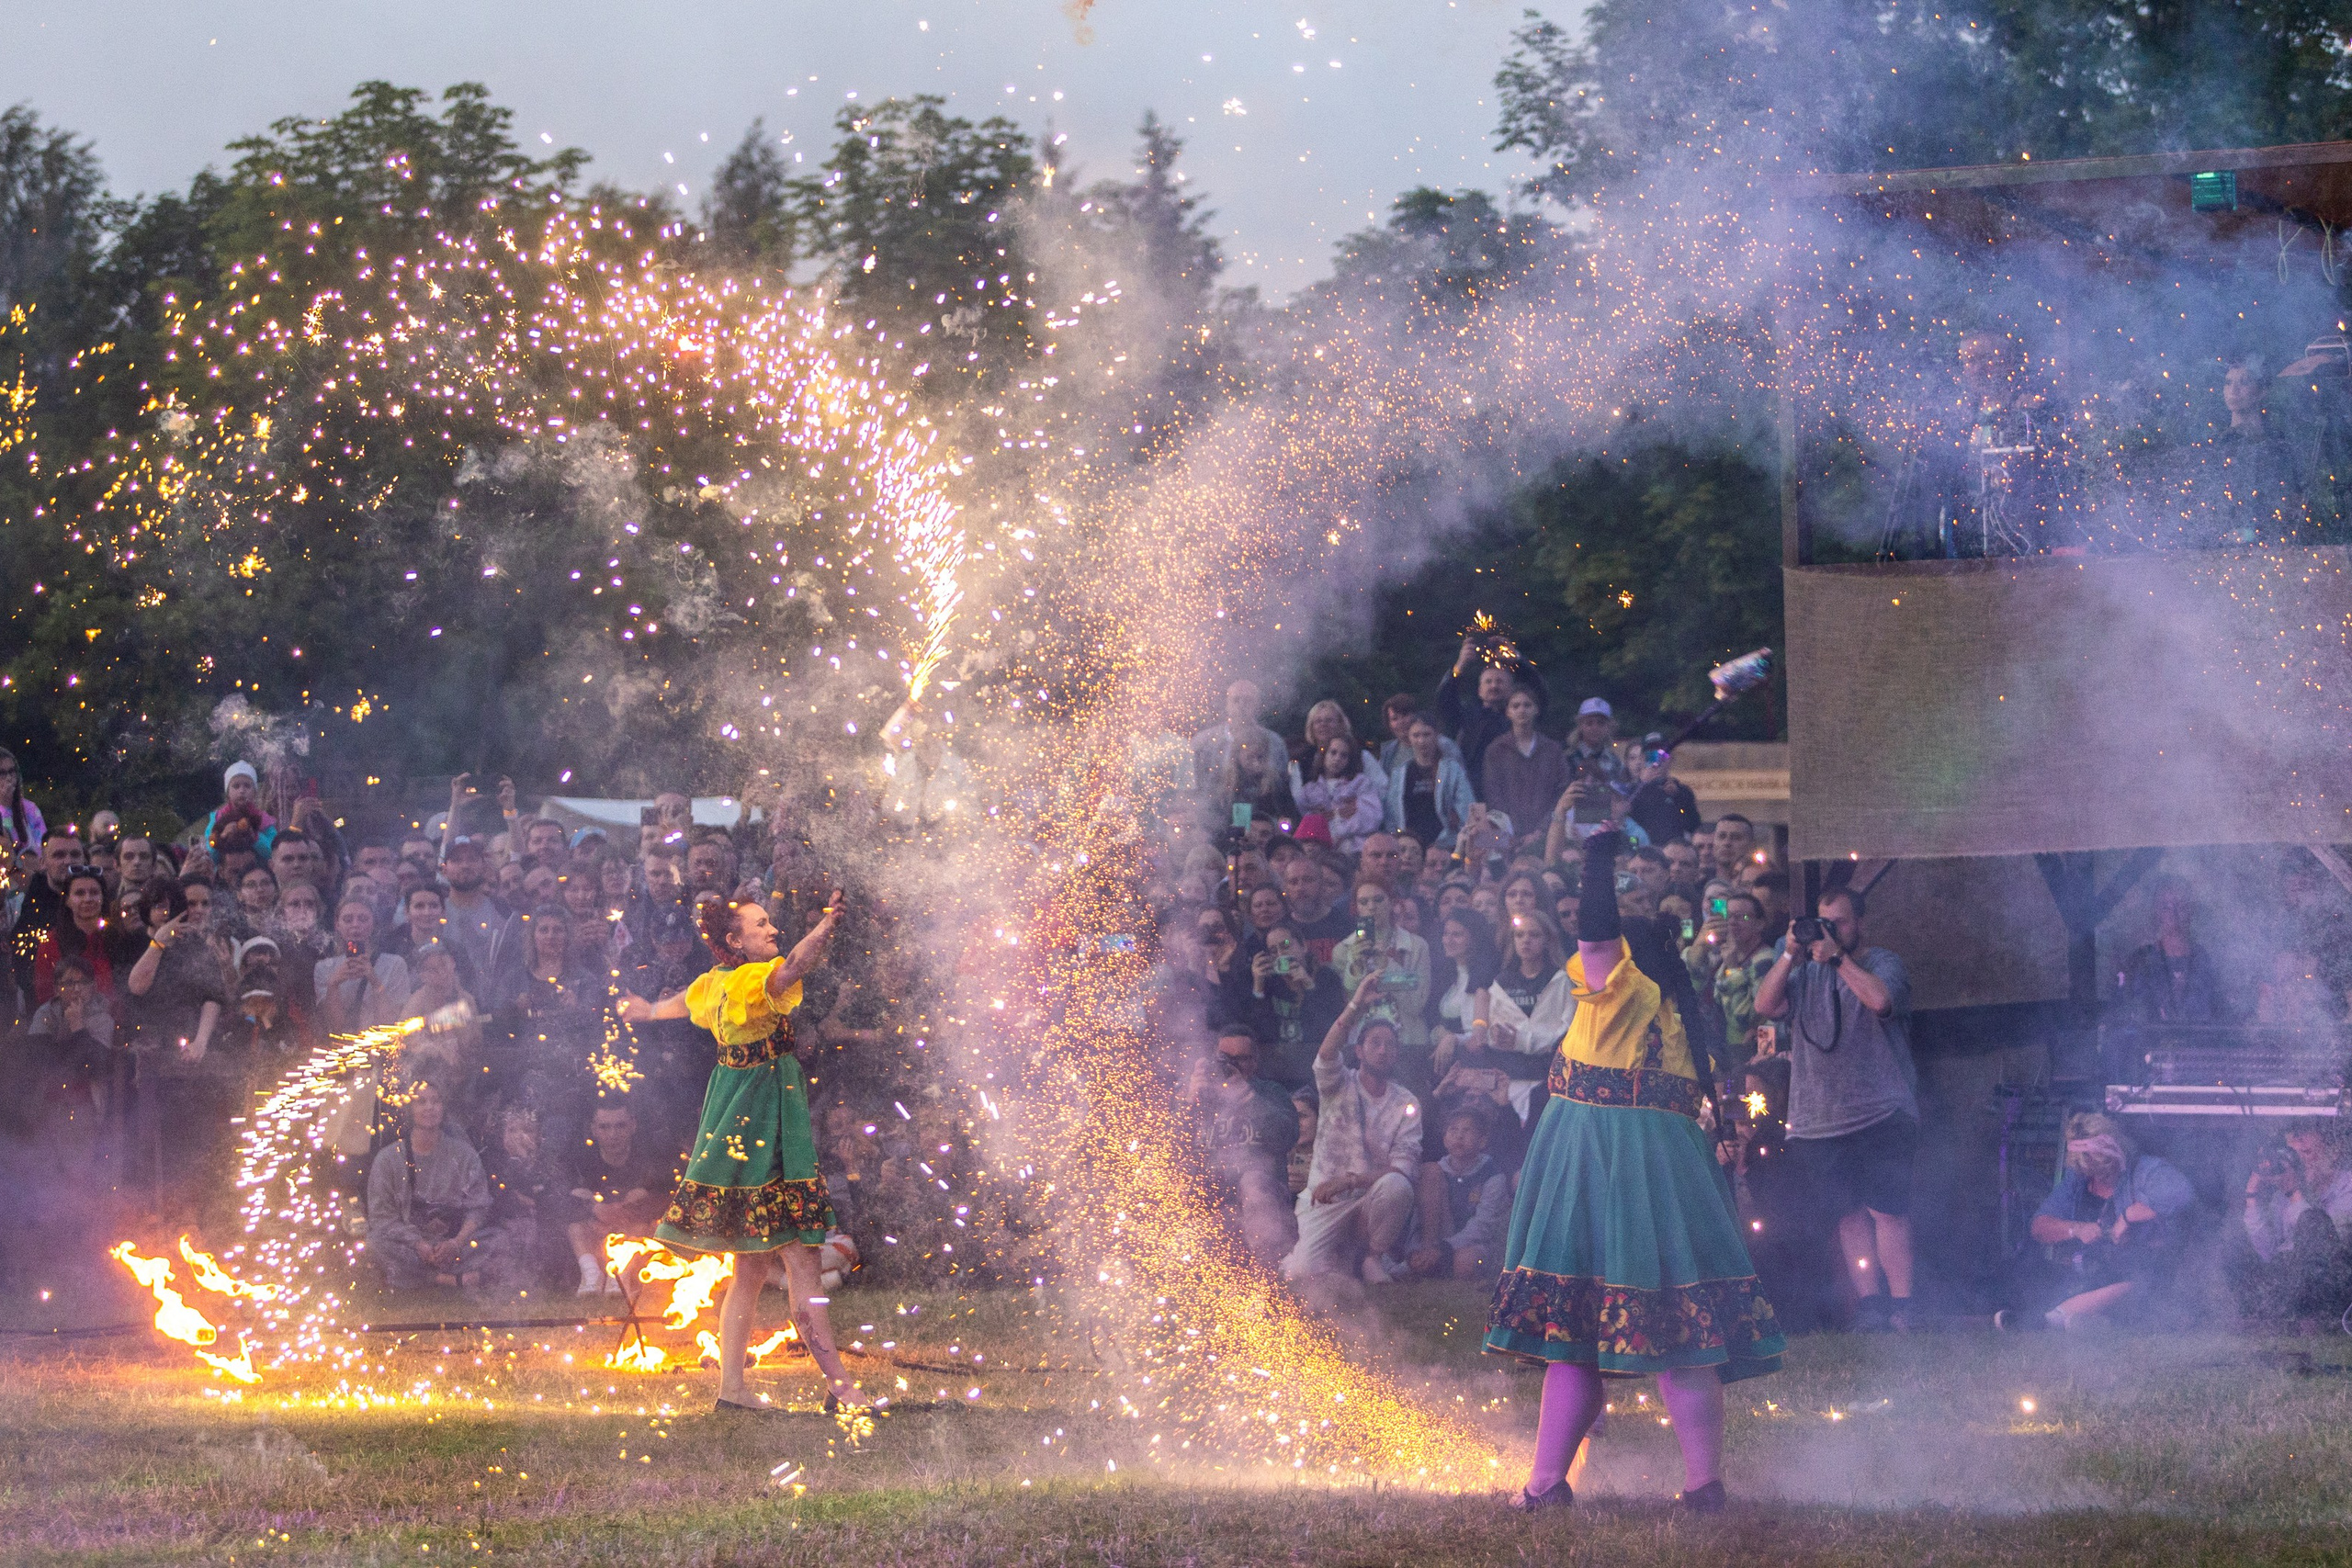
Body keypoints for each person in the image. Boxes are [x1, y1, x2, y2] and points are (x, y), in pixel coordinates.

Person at [1486, 830, 1778, 1517]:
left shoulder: (1620, 991)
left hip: (1598, 1158)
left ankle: (1545, 1484)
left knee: (1576, 1334)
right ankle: (1705, 1485)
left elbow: (1594, 929)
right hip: (1673, 1166)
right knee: (1685, 1327)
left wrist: (1595, 861)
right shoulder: (1679, 1005)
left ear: (1624, 954)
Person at [618, 893, 863, 1412]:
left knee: (750, 1267)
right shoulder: (754, 979)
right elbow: (794, 965)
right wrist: (826, 926)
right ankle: (842, 1389)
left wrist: (647, 1011)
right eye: (761, 925)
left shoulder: (714, 984)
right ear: (735, 941)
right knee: (802, 1259)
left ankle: (732, 1390)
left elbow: (683, 1001)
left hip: (737, 1127)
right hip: (768, 1130)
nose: (772, 930)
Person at [1754, 886, 1918, 1331]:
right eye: (1823, 922)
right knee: (1847, 1214)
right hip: (1817, 1119)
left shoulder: (1881, 961)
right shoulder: (1801, 970)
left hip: (1880, 1109)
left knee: (1887, 1210)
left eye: (1840, 922)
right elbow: (1764, 1006)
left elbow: (1882, 1001)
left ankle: (1903, 1307)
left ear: (1858, 924)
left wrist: (1839, 958)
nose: (1830, 930)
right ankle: (1870, 1306)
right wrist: (1789, 955)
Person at [1282, 976, 1422, 1285]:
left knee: (1398, 1186)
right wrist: (1356, 1005)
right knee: (1302, 1273)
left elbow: (1403, 1167)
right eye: (1375, 1043)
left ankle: (1371, 1255)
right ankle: (1344, 1260)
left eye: (1390, 1045)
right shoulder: (1338, 1084)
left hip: (1370, 1198)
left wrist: (1352, 1181)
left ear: (1396, 1053)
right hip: (1325, 1198)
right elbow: (1326, 1054)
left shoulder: (1406, 1102)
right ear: (1359, 1051)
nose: (1383, 1050)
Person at [2000, 1112, 2195, 1331]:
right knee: (2030, 1270)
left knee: (2140, 1281)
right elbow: (2039, 1227)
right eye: (2089, 1172)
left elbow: (2182, 1195)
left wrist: (2127, 1216)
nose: (2098, 1177)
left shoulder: (2148, 1171)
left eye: (2103, 1170)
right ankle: (2095, 1322)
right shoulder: (2078, 1180)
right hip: (2090, 1271)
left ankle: (2046, 1321)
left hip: (2146, 1273)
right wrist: (2076, 1229)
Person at [1181, 1025, 1302, 1261]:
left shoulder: (1270, 1093)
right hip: (1208, 1203)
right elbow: (1169, 1147)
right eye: (1224, 1059)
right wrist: (1189, 1101)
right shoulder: (1198, 1094)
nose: (1231, 1066)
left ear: (1255, 1062)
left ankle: (1264, 1273)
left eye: (1240, 1060)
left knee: (1253, 1182)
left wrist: (1246, 1096)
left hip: (1263, 1207)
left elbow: (1287, 1135)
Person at [366, 1077, 492, 1291]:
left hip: (455, 1245)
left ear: (444, 1107)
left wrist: (456, 1242)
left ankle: (415, 1278)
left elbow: (479, 1207)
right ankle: (446, 1280)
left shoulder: (464, 1154)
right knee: (374, 1243)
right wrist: (418, 1244)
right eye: (421, 1102)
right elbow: (382, 1217)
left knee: (502, 1239)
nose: (429, 1108)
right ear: (409, 1108)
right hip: (411, 1246)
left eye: (436, 1101)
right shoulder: (389, 1159)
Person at [2228, 1122, 2352, 1325]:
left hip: (2333, 1288)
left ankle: (2311, 1323)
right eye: (2292, 1138)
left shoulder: (2348, 1186)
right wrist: (2252, 1197)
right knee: (2232, 1241)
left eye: (2306, 1152)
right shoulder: (2285, 1194)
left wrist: (2294, 1194)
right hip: (2290, 1282)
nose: (2297, 1145)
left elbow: (2328, 1245)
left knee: (2313, 1223)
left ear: (2334, 1149)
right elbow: (2268, 1252)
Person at [563, 1101, 672, 1294]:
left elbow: (667, 1197)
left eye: (619, 1126)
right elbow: (559, 1197)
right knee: (575, 1227)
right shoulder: (580, 1160)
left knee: (644, 1227)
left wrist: (635, 1206)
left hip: (633, 1230)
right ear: (594, 1129)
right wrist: (593, 1208)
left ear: (632, 1125)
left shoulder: (649, 1159)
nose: (613, 1135)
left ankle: (621, 1276)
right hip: (595, 1231)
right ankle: (591, 1275)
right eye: (605, 1127)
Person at [1330, 878, 1432, 1071]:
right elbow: (1348, 1004)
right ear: (1356, 908)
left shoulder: (1417, 946)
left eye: (1378, 900)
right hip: (1361, 1046)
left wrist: (1387, 966)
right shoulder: (1342, 951)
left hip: (1408, 1042)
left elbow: (1416, 1004)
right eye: (1363, 902)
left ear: (1392, 903)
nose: (1371, 907)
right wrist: (1355, 965)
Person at [1404, 1103, 1510, 1280]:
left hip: (1469, 1243)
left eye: (1467, 1131)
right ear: (1445, 1139)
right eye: (1453, 1130)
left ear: (1482, 1140)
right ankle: (1422, 1258)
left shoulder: (1492, 1176)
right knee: (1428, 1170)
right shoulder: (1435, 1172)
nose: (1459, 1136)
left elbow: (1483, 1226)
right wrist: (1418, 1248)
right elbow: (1417, 1217)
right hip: (1436, 1238)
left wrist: (1445, 1248)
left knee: (1466, 1263)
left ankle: (1430, 1266)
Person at [1437, 636, 1548, 799]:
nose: (1494, 686)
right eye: (1488, 682)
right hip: (1475, 792)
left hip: (1515, 791)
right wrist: (1459, 666)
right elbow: (1444, 702)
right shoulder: (1468, 716)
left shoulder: (1521, 715)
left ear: (1511, 688)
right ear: (1479, 690)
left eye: (1500, 681)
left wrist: (1517, 660)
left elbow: (1540, 693)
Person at [1241, 922, 1345, 1091]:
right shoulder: (1268, 984)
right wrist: (1258, 988)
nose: (1281, 954)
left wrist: (1308, 986)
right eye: (1273, 951)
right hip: (1277, 1076)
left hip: (1319, 1071)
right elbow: (1259, 1034)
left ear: (1303, 946)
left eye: (1286, 946)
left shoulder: (1326, 978)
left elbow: (1330, 1027)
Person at [2116, 875, 2227, 1025]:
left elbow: (2221, 1017)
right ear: (2157, 912)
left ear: (2191, 910)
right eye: (2166, 907)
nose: (2174, 915)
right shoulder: (2139, 962)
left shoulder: (2207, 962)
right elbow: (2124, 1020)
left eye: (2181, 906)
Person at [1686, 892, 1778, 1067]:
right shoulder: (1727, 956)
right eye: (1728, 916)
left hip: (1752, 1055)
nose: (1732, 922)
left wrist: (1734, 968)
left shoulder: (1765, 960)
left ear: (1760, 924)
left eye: (1742, 917)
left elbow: (1750, 1016)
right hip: (1728, 1052)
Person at [1481, 689, 1572, 856]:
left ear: (1536, 709)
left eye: (1527, 705)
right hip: (1505, 833)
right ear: (1508, 712)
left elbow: (1562, 793)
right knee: (1479, 844)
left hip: (1547, 832)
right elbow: (1492, 793)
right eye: (1516, 706)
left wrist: (1541, 830)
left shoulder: (1552, 750)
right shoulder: (1495, 750)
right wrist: (1509, 830)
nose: (1522, 710)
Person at [1192, 680, 1293, 826]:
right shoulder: (1204, 742)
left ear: (1257, 706)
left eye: (1248, 700)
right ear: (1227, 704)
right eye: (1236, 700)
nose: (1241, 705)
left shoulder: (1274, 743)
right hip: (1214, 820)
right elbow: (1196, 787)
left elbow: (1281, 787)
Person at [316, 897, 414, 1033]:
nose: (355, 925)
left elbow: (392, 1022)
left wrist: (374, 981)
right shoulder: (324, 968)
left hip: (380, 1045)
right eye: (348, 920)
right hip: (344, 1047)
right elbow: (335, 1027)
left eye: (363, 919)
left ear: (373, 923)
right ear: (337, 924)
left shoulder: (395, 964)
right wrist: (333, 984)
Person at [1383, 715, 1477, 852]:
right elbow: (1391, 815)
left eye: (1427, 735)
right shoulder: (1400, 774)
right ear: (1409, 738)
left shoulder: (1452, 770)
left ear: (1436, 736)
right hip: (1410, 847)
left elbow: (1467, 809)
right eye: (1416, 735)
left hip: (1446, 845)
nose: (1422, 741)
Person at [1292, 736, 1385, 856]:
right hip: (1320, 852)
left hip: (1354, 850)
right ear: (1324, 754)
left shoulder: (1360, 783)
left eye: (1344, 755)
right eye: (1333, 753)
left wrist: (1342, 823)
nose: (1337, 759)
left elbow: (1373, 817)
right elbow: (1302, 820)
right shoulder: (1309, 790)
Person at [187, 761, 278, 859]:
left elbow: (274, 852)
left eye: (247, 786)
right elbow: (208, 854)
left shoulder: (263, 819)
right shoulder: (217, 818)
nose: (242, 791)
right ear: (228, 793)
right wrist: (222, 836)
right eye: (236, 786)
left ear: (255, 792)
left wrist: (255, 837)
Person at [1377, 693, 1462, 780]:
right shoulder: (1388, 753)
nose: (1401, 722)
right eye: (1395, 719)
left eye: (1405, 715)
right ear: (1389, 724)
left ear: (1415, 715)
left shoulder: (1444, 745)